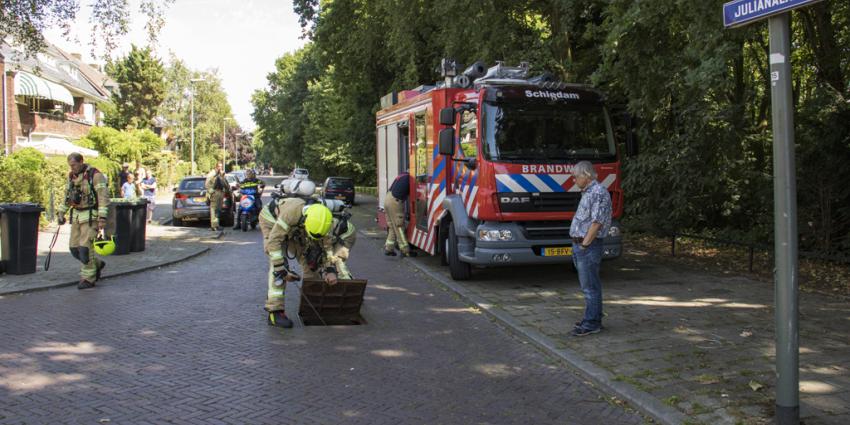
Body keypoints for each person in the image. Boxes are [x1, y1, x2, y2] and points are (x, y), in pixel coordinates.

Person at [259, 197, 339, 328]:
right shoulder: (291, 214)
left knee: (311, 261)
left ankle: (311, 304)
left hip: (296, 228)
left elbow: (327, 247)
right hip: (272, 221)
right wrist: (281, 269)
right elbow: (273, 242)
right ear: (306, 221)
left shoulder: (325, 221)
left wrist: (330, 269)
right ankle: (275, 312)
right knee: (278, 265)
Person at [569, 161, 613, 337]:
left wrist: (585, 244)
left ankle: (592, 323)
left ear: (585, 175)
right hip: (582, 244)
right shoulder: (589, 192)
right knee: (590, 285)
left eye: (575, 176)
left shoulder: (598, 192)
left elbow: (597, 222)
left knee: (590, 287)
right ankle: (592, 317)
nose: (573, 180)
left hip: (588, 246)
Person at [56, 153, 110, 289]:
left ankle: (88, 279)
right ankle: (96, 264)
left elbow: (103, 197)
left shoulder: (96, 176)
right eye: (70, 165)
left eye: (73, 165)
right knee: (74, 249)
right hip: (76, 217)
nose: (72, 168)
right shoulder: (72, 177)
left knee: (85, 249)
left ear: (81, 162)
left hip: (91, 217)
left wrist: (102, 218)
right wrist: (61, 213)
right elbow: (68, 198)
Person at [384, 171, 414, 257]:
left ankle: (388, 248)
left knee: (392, 226)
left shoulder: (402, 175)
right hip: (395, 202)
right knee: (399, 226)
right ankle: (405, 250)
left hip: (388, 199)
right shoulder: (410, 178)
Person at [205, 162, 228, 231]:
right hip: (215, 194)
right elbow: (207, 184)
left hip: (220, 193)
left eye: (221, 166)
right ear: (216, 167)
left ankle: (217, 225)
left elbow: (224, 184)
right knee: (213, 210)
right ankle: (213, 226)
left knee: (218, 210)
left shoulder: (221, 174)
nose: (220, 168)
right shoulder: (212, 174)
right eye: (218, 166)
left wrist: (223, 176)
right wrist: (212, 192)